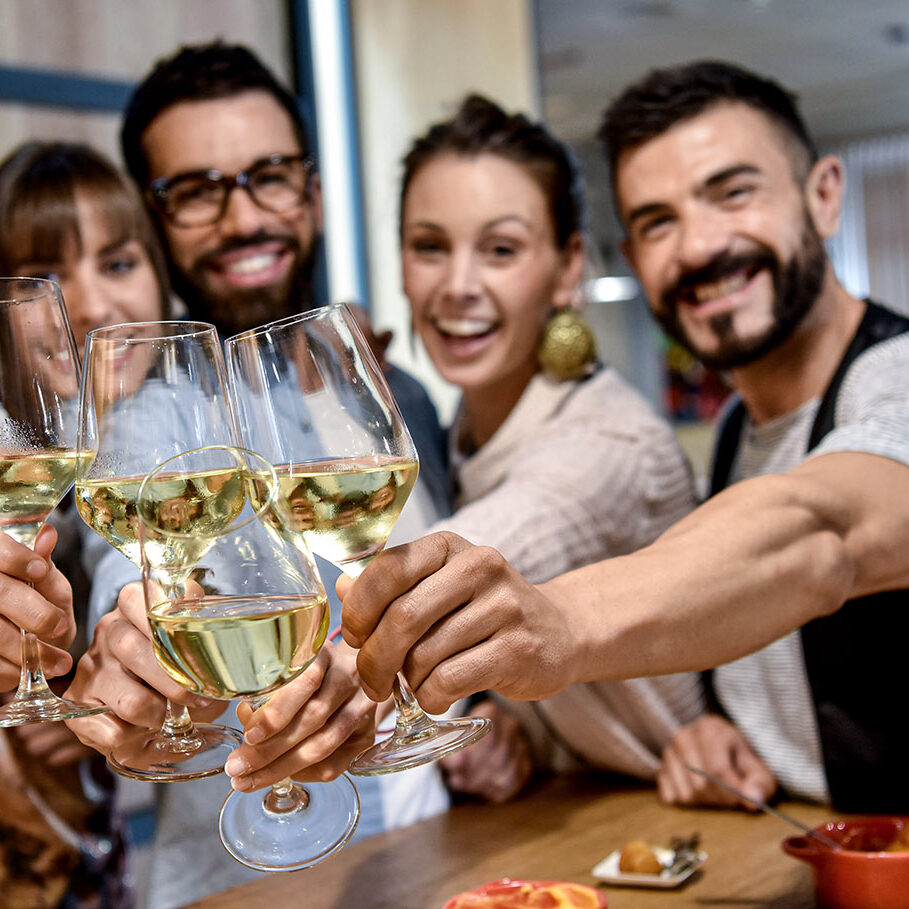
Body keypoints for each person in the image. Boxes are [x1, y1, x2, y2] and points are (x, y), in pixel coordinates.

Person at [338, 60, 909, 816]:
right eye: (655, 221)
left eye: (732, 193)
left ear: (824, 195)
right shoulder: (743, 423)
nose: (699, 246)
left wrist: (560, 623)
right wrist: (708, 737)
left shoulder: (894, 375)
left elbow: (819, 533)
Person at [391, 93, 702, 797]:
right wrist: (515, 732)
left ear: (567, 270)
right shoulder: (464, 436)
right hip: (600, 820)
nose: (457, 286)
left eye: (500, 250)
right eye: (429, 247)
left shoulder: (610, 440)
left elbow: (489, 552)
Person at [0, 138, 176, 907]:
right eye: (49, 275)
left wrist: (87, 676)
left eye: (117, 263)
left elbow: (124, 556)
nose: (94, 307)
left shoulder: (162, 421)